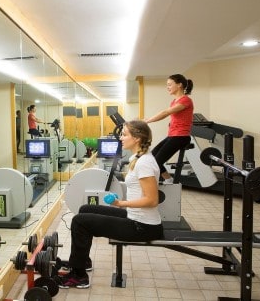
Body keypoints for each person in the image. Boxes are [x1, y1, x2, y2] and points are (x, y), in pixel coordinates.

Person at [57, 120, 163, 289]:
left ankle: (78, 276)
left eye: (125, 134)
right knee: (85, 209)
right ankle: (81, 261)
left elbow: (152, 200)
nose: (121, 137)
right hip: (135, 217)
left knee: (80, 221)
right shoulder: (138, 158)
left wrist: (120, 203)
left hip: (143, 226)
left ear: (137, 138)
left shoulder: (144, 162)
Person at [145, 74, 194, 184]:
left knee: (156, 161)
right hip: (173, 135)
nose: (168, 87)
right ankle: (168, 179)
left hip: (181, 137)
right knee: (151, 158)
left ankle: (165, 181)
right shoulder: (174, 102)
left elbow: (166, 113)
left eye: (169, 84)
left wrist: (148, 121)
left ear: (179, 85)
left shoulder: (186, 100)